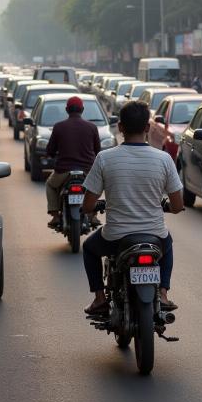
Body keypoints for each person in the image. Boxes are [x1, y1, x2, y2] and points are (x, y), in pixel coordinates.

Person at [81, 100, 184, 315]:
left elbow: (88, 204)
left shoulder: (104, 158)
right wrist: (164, 205)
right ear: (147, 128)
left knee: (89, 249)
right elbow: (177, 205)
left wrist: (93, 207)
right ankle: (163, 293)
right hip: (154, 235)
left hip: (116, 237)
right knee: (169, 243)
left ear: (120, 127)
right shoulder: (164, 159)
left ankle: (100, 299)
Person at [45, 96, 101, 229]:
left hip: (63, 171)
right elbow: (98, 150)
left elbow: (51, 150)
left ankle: (55, 215)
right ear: (82, 109)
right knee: (95, 187)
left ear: (66, 110)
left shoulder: (59, 127)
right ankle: (93, 214)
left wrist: (51, 155)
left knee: (50, 185)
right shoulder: (92, 127)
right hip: (87, 171)